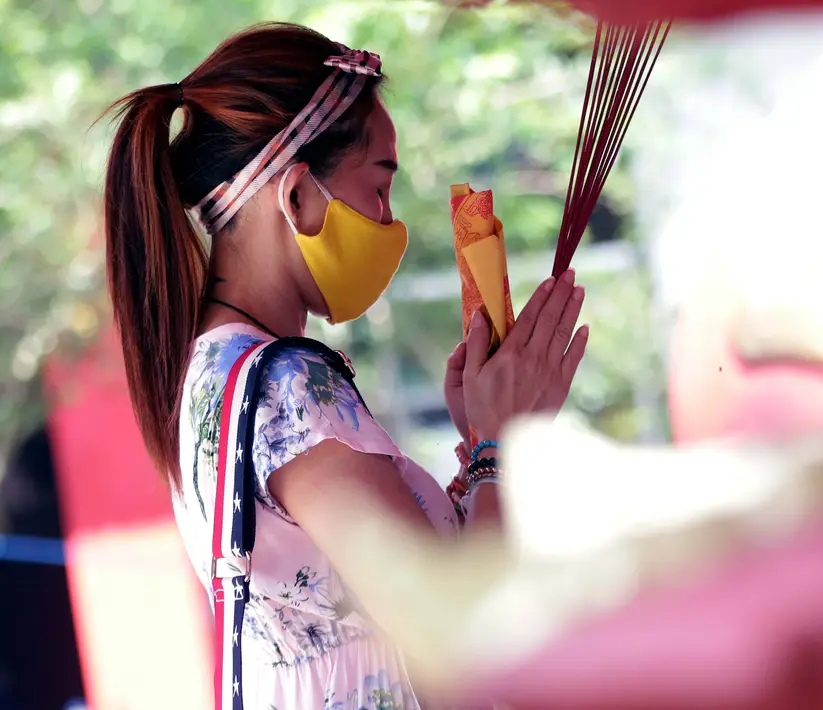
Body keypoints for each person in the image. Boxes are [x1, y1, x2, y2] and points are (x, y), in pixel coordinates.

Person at [101, 22, 588, 710]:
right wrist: (498, 443)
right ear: (296, 196)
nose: (390, 222)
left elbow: (359, 584)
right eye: (379, 188)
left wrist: (479, 444)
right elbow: (461, 637)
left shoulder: (214, 372)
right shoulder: (289, 387)